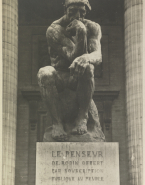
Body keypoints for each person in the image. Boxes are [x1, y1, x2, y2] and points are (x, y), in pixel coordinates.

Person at [37, 0, 105, 141]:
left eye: (82, 12)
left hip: (77, 78)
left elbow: (98, 56)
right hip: (60, 77)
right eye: (73, 11)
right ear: (65, 9)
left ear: (86, 11)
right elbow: (72, 56)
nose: (78, 15)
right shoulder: (54, 30)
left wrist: (87, 57)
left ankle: (82, 118)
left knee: (87, 67)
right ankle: (57, 124)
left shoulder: (93, 27)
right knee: (44, 73)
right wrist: (81, 32)